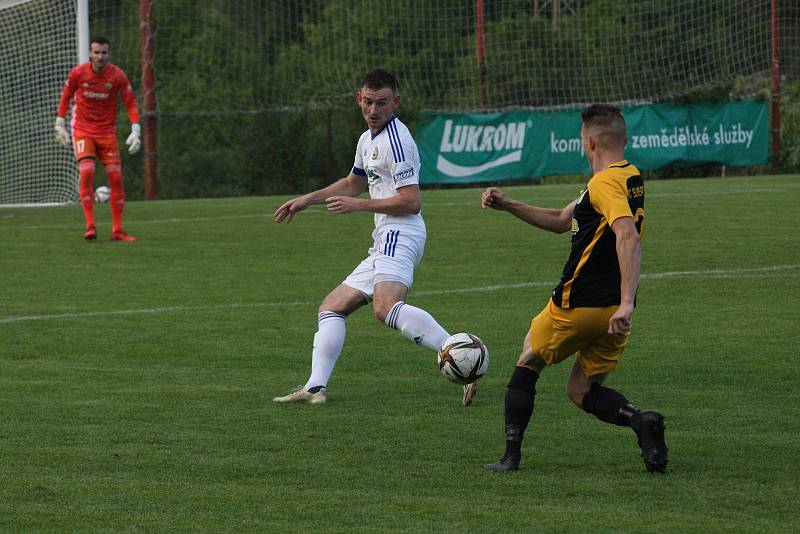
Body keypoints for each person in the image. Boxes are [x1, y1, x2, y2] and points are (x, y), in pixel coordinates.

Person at [481, 104, 667, 473]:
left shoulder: (602, 183)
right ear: (623, 139)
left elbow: (627, 235)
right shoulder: (629, 177)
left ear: (590, 141)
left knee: (529, 358)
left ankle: (510, 456)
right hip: (612, 313)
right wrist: (508, 204)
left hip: (579, 303)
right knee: (580, 390)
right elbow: (561, 220)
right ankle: (641, 422)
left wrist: (626, 302)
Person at [273, 69, 476, 406]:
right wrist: (308, 199)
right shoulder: (367, 140)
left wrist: (360, 206)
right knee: (331, 308)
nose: (373, 109)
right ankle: (315, 388)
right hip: (385, 235)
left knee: (385, 309)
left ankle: (462, 357)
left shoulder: (397, 141)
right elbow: (353, 181)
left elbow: (411, 202)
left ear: (394, 103)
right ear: (359, 99)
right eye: (368, 102)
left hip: (402, 230)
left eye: (382, 103)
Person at [55, 36, 140, 242]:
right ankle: (90, 225)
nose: (100, 56)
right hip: (83, 129)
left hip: (107, 133)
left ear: (108, 54)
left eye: (104, 53)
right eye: (96, 52)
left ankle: (117, 230)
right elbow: (66, 95)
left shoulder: (117, 75)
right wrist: (59, 123)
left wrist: (136, 130)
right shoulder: (78, 73)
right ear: (90, 54)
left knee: (116, 178)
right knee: (87, 171)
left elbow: (130, 102)